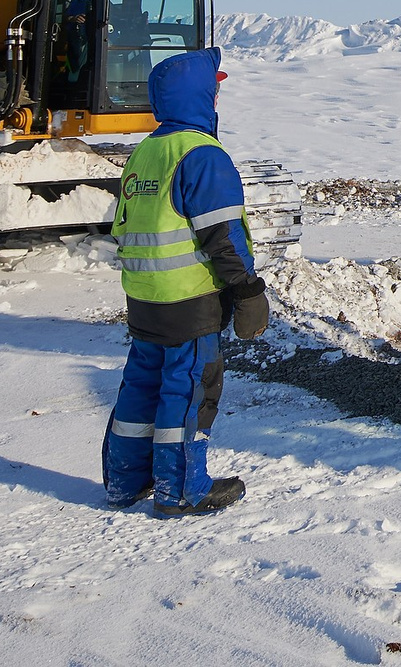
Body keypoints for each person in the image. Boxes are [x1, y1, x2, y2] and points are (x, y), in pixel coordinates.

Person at [102, 46, 269, 516]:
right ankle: (181, 490)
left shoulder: (146, 151)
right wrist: (247, 292)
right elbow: (223, 236)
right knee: (187, 390)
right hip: (190, 299)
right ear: (199, 97)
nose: (217, 98)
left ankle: (125, 482)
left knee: (141, 386)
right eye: (213, 90)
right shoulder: (202, 155)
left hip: (144, 298)